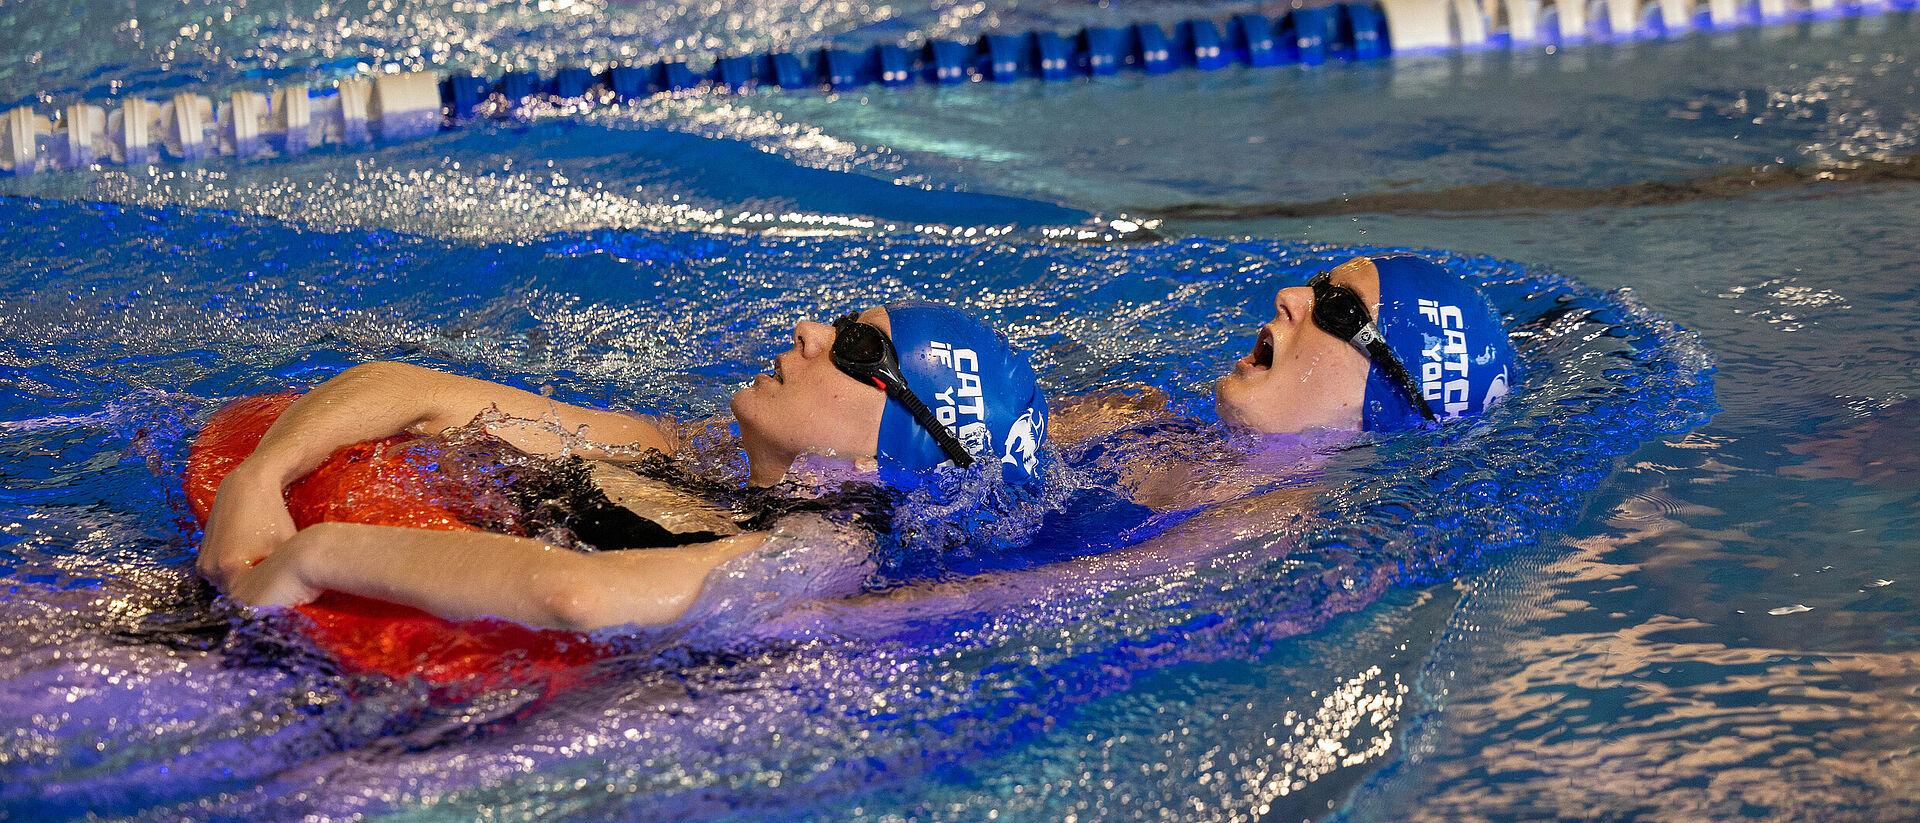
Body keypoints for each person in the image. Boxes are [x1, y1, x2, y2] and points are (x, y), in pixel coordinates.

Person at [201, 302, 1048, 631]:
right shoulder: (675, 452)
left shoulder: (820, 557)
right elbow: (414, 389)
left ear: (894, 445)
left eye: (859, 346)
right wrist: (258, 477)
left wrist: (314, 554)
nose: (809, 333)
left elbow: (581, 596)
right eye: (838, 320)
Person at [1055, 252, 1516, 511]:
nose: (1290, 296)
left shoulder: (1257, 532)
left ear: (1388, 400)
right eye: (1318, 284)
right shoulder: (1135, 419)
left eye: (1339, 310)